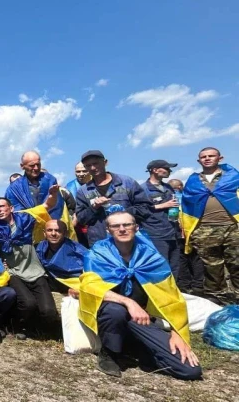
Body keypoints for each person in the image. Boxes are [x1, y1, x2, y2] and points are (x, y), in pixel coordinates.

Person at [79, 212, 201, 380]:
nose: (122, 229)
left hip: (140, 319)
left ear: (136, 228)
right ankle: (109, 353)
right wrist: (128, 302)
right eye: (116, 226)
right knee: (116, 311)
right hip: (111, 315)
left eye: (127, 225)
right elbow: (89, 287)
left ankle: (135, 347)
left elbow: (172, 296)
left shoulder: (151, 256)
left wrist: (177, 331)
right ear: (108, 230)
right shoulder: (97, 254)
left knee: (190, 370)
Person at [0, 191, 60, 339]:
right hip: (14, 272)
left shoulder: (26, 219)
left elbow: (47, 205)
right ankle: (17, 325)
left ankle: (38, 326)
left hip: (35, 271)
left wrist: (53, 194)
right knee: (28, 303)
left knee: (49, 311)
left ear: (11, 208)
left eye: (1, 206)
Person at [181, 147, 239, 304]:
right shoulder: (193, 181)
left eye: (211, 156)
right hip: (204, 229)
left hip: (234, 228)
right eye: (203, 156)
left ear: (220, 158)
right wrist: (187, 230)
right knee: (212, 269)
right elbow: (185, 206)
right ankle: (217, 303)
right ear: (199, 161)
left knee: (237, 265)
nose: (207, 158)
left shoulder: (233, 176)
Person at [75, 150, 152, 245]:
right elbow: (82, 219)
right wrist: (94, 208)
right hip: (101, 244)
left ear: (105, 162)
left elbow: (146, 208)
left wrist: (122, 214)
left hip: (129, 240)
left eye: (96, 163)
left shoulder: (127, 182)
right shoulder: (83, 191)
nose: (93, 168)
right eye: (88, 165)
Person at [5, 151, 69, 226]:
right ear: (22, 166)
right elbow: (15, 212)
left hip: (50, 227)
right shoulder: (14, 188)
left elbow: (57, 206)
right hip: (27, 229)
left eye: (38, 164)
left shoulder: (50, 180)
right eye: (32, 165)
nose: (36, 168)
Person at [142, 160, 182, 277]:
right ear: (154, 170)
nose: (169, 171)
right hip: (156, 234)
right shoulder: (143, 189)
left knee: (175, 265)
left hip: (173, 232)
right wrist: (163, 205)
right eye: (166, 168)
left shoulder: (167, 187)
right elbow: (139, 210)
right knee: (160, 266)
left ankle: (173, 291)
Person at [170, 178, 204, 295]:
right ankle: (198, 285)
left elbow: (173, 218)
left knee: (181, 259)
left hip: (178, 233)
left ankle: (185, 285)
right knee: (196, 258)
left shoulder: (172, 199)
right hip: (193, 231)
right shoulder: (190, 197)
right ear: (181, 187)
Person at [35, 220, 86, 297]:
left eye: (58, 231)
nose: (53, 234)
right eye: (49, 230)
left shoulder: (77, 251)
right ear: (44, 233)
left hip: (72, 285)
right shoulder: (38, 249)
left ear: (66, 233)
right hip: (47, 287)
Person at [66, 162, 92, 247]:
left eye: (84, 171)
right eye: (78, 171)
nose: (81, 174)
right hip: (77, 226)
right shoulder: (69, 187)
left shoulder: (97, 182)